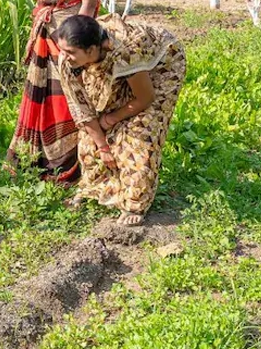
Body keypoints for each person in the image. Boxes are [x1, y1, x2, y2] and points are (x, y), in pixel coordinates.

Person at [55, 15, 186, 226]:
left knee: (140, 132)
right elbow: (82, 109)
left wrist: (112, 118)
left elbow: (145, 98)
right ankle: (97, 188)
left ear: (91, 50)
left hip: (162, 65)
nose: (64, 56)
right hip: (120, 65)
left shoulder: (125, 51)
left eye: (70, 52)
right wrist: (103, 146)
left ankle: (134, 203)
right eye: (62, 49)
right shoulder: (68, 59)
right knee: (91, 137)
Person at [8, 0, 102, 181]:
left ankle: (66, 165)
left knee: (66, 97)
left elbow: (88, 1)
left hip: (68, 33)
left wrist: (77, 43)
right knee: (42, 95)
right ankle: (34, 156)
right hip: (46, 31)